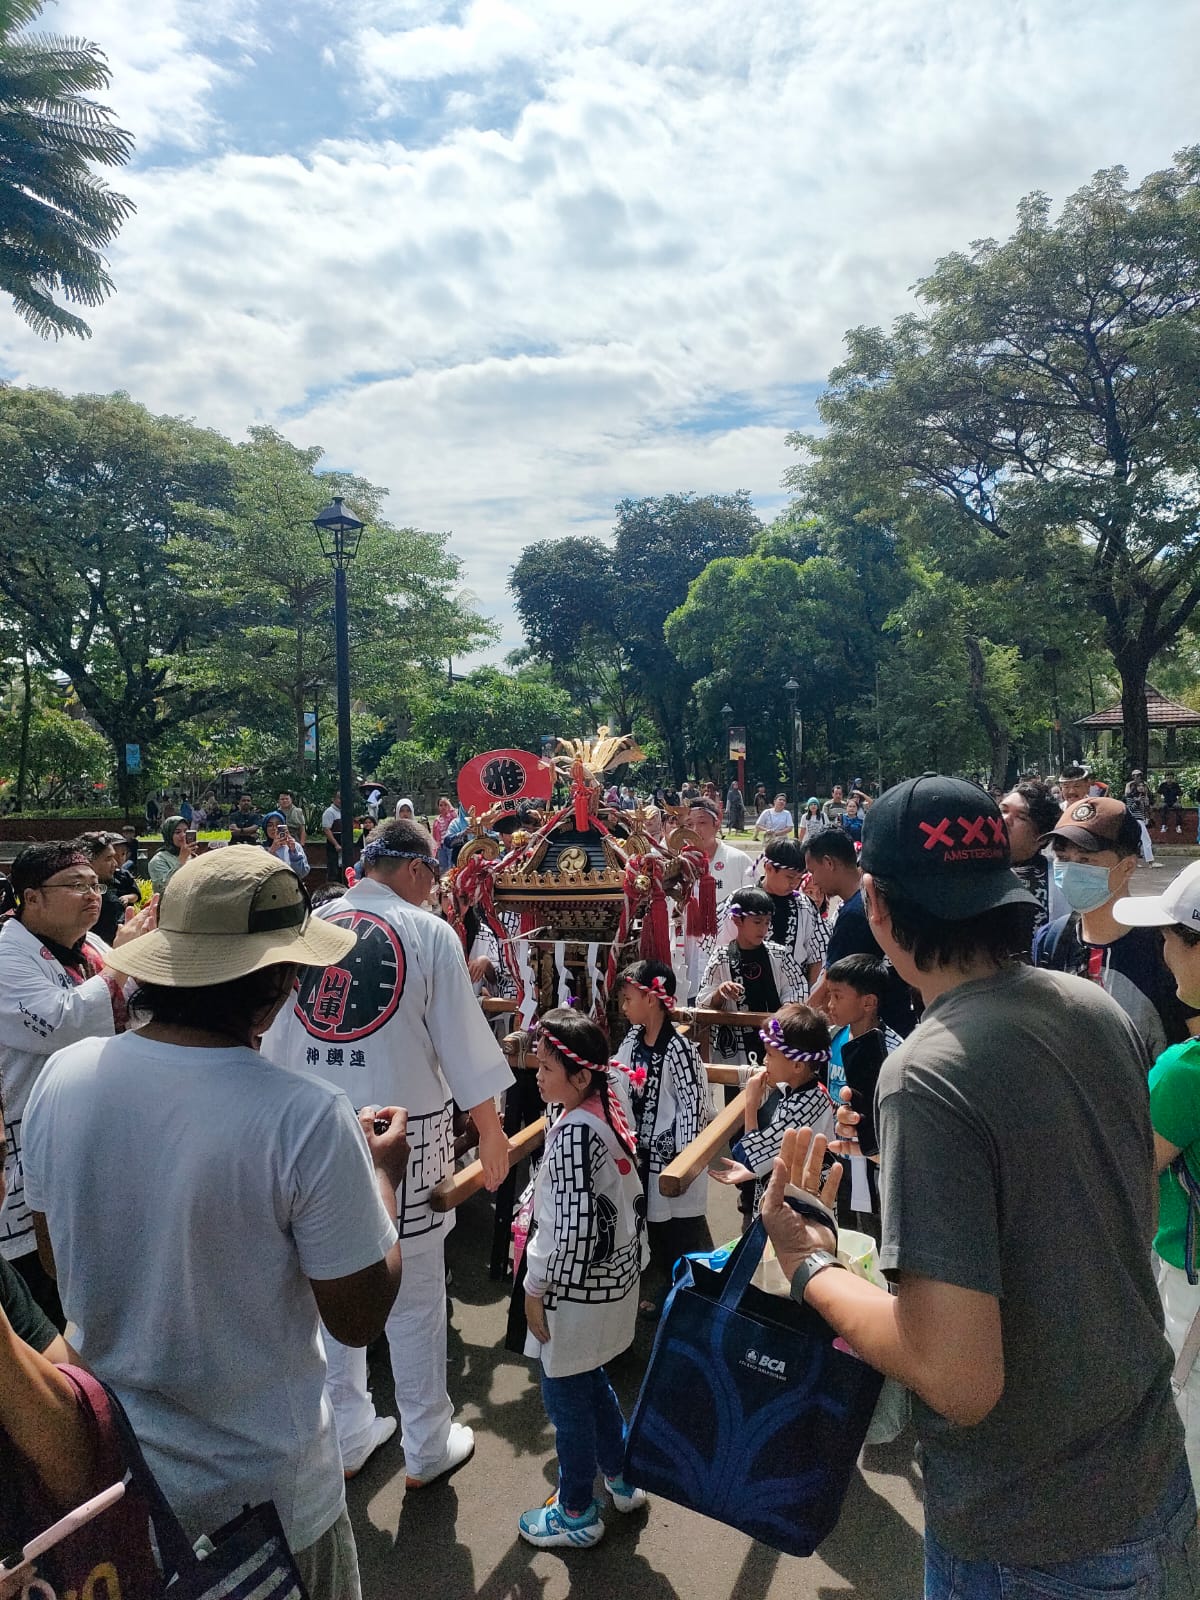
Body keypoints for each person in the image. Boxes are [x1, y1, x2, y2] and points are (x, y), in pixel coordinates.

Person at [763, 774, 1194, 1596]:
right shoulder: (1090, 1006)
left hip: (1028, 1530)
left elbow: (957, 1376)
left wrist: (811, 1263)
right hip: (1149, 1476)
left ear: (879, 907)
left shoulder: (922, 1072)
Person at [23, 849, 409, 1600]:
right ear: (279, 985)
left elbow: (51, 1251)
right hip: (269, 1496)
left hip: (120, 1484)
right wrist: (383, 1179)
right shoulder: (303, 1117)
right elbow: (358, 1317)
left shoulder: (63, 1079)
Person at [264, 816, 514, 1490]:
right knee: (416, 1291)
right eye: (432, 875)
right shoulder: (428, 933)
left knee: (327, 1280)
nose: (433, 889)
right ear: (413, 870)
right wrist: (491, 1132)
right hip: (407, 1132)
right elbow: (462, 1042)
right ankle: (426, 1443)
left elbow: (280, 1037)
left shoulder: (312, 927)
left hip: (312, 1126)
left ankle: (347, 1431)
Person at [0, 844, 149, 1324]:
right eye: (76, 884)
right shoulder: (7, 954)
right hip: (26, 1143)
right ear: (32, 899)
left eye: (95, 884)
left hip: (91, 1136)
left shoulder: (93, 946)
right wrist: (127, 962)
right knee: (39, 1292)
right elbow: (61, 1022)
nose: (92, 894)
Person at [518, 1009, 648, 1550]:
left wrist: (534, 1287)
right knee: (592, 1383)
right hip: (614, 1286)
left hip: (575, 1295)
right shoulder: (604, 1112)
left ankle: (576, 1510)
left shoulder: (573, 1132)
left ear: (580, 1076)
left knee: (565, 1402)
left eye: (547, 1068)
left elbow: (567, 1229)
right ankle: (619, 1477)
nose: (538, 1076)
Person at [1113, 861, 1200, 1484]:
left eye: (1171, 934)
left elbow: (1129, 1169)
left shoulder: (1185, 1071)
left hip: (1187, 1275)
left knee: (1185, 1427)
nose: (1162, 949)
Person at [1035, 796, 1188, 1059]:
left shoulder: (1168, 947)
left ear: (1127, 866)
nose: (1069, 871)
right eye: (1062, 858)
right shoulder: (1051, 940)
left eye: (1085, 861)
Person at [613, 961, 712, 1312]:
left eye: (629, 999)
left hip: (666, 1160)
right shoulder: (631, 1041)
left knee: (678, 1230)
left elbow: (693, 1108)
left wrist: (681, 1163)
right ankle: (656, 1286)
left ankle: (684, 1296)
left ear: (651, 999)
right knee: (646, 1226)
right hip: (637, 1153)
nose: (624, 1007)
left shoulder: (681, 1051)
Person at [711, 1004, 835, 1218]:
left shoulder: (805, 1104)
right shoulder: (802, 1092)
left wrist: (750, 1104)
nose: (764, 1061)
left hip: (800, 1207)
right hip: (790, 1197)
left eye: (770, 1054)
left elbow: (749, 1157)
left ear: (797, 1065)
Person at [804, 826, 916, 1037]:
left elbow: (833, 980)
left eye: (812, 872)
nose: (814, 881)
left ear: (829, 863)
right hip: (899, 1017)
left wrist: (802, 1015)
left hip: (873, 1031)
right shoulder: (877, 897)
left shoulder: (855, 914)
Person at [698, 887, 809, 1051]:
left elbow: (797, 989)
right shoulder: (721, 957)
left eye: (767, 922)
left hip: (774, 1039)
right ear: (737, 920)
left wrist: (785, 1012)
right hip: (737, 1045)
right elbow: (702, 1002)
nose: (763, 929)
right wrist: (720, 993)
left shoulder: (779, 955)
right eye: (757, 922)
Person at [679, 798, 756, 1001]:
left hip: (728, 956)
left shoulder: (738, 861)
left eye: (702, 822)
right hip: (688, 954)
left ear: (717, 824)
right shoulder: (675, 864)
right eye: (689, 824)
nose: (695, 830)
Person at [998, 779, 1064, 935]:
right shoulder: (973, 868)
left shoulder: (1062, 881)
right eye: (1003, 810)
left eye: (1021, 817)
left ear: (1042, 838)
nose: (1005, 820)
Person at [74, 831, 139, 944]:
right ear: (88, 860)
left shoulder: (105, 892)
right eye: (109, 858)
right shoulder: (79, 900)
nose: (115, 863)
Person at [149, 815, 194, 893]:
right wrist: (181, 860)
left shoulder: (191, 856)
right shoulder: (158, 860)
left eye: (186, 831)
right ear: (169, 835)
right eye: (178, 832)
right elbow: (162, 889)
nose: (183, 835)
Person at [262, 810, 310, 877]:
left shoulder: (295, 846)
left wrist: (293, 853)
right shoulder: (261, 849)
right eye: (270, 825)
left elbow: (302, 873)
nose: (274, 828)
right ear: (265, 829)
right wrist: (271, 851)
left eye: (278, 825)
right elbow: (260, 874)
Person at [322, 791, 344, 878]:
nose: (341, 801)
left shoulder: (343, 811)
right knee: (333, 869)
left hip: (343, 842)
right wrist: (336, 844)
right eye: (339, 798)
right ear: (333, 799)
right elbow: (327, 830)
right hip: (334, 843)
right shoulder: (329, 812)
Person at [432, 796, 456, 867]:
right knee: (442, 867)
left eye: (445, 805)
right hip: (441, 847)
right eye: (441, 805)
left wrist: (449, 804)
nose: (443, 807)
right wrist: (435, 848)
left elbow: (455, 815)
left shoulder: (451, 817)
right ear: (438, 807)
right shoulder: (436, 821)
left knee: (451, 865)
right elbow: (434, 836)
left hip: (450, 845)